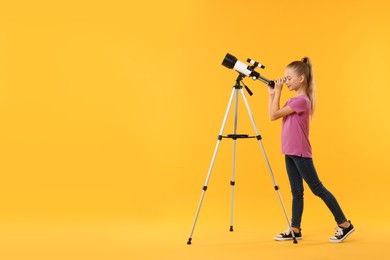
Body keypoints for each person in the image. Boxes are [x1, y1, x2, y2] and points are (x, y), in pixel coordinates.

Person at [268, 57, 355, 243]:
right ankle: (295, 228)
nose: (285, 81)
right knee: (296, 192)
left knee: (318, 189)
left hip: (300, 153)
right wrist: (272, 95)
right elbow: (271, 116)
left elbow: (275, 114)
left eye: (288, 78)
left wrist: (278, 92)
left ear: (301, 79)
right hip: (290, 152)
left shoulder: (301, 101)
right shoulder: (293, 100)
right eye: (284, 78)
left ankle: (345, 224)